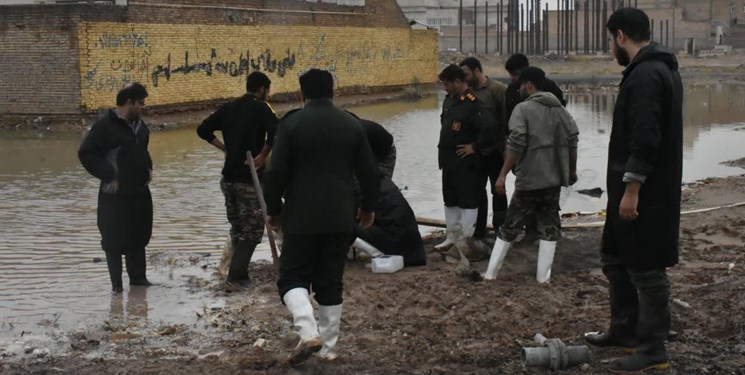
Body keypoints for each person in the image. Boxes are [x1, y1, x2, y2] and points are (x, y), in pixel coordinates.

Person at [584, 8, 683, 373]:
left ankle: (653, 348)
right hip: (631, 189)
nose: (611, 46)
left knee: (646, 267)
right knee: (616, 258)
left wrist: (632, 189)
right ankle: (624, 330)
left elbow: (646, 139)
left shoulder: (647, 74)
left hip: (646, 195)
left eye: (611, 40)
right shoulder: (654, 69)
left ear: (620, 36)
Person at [263, 69, 380, 365]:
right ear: (333, 92)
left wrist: (274, 210)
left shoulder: (291, 124)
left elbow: (275, 172)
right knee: (330, 281)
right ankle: (327, 349)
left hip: (301, 216)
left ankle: (307, 331)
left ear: (302, 94)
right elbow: (370, 172)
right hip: (341, 216)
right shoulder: (351, 124)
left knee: (291, 278)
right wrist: (368, 207)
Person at [483, 67, 579, 284]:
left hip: (530, 180)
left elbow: (516, 143)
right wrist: (571, 170)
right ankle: (543, 278)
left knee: (510, 225)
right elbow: (573, 139)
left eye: (521, 85)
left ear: (528, 84)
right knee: (549, 226)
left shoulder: (522, 109)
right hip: (554, 180)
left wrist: (502, 175)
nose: (519, 89)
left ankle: (490, 274)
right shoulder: (560, 109)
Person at [196, 71, 278, 290]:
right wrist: (263, 156)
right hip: (248, 179)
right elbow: (277, 133)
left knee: (237, 227)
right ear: (262, 89)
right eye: (267, 91)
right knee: (251, 231)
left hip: (228, 180)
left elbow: (203, 129)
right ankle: (237, 277)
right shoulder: (263, 108)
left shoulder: (229, 107)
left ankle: (229, 269)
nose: (267, 95)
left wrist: (224, 148)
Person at [78, 83, 154, 293]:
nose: (143, 107)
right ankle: (117, 289)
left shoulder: (141, 126)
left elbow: (142, 151)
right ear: (129, 102)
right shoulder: (105, 126)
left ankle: (139, 282)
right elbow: (86, 153)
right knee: (113, 240)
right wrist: (108, 174)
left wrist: (148, 169)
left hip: (139, 192)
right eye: (141, 103)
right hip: (114, 194)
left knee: (138, 235)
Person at [433, 64, 498, 259]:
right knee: (450, 198)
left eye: (447, 84)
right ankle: (452, 237)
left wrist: (474, 146)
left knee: (467, 200)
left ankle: (466, 239)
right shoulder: (449, 102)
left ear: (458, 82)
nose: (445, 88)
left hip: (466, 162)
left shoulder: (472, 104)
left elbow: (490, 129)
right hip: (449, 160)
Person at [458, 57, 508, 241]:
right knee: (477, 192)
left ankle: (502, 230)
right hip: (474, 153)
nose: (464, 78)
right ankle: (479, 232)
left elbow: (506, 122)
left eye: (466, 74)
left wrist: (506, 149)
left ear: (477, 70)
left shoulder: (498, 89)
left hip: (495, 151)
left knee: (499, 190)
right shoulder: (466, 93)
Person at [504, 53, 567, 125]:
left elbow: (561, 112)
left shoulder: (549, 87)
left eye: (515, 74)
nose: (511, 78)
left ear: (525, 70)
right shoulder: (512, 89)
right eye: (510, 74)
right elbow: (508, 116)